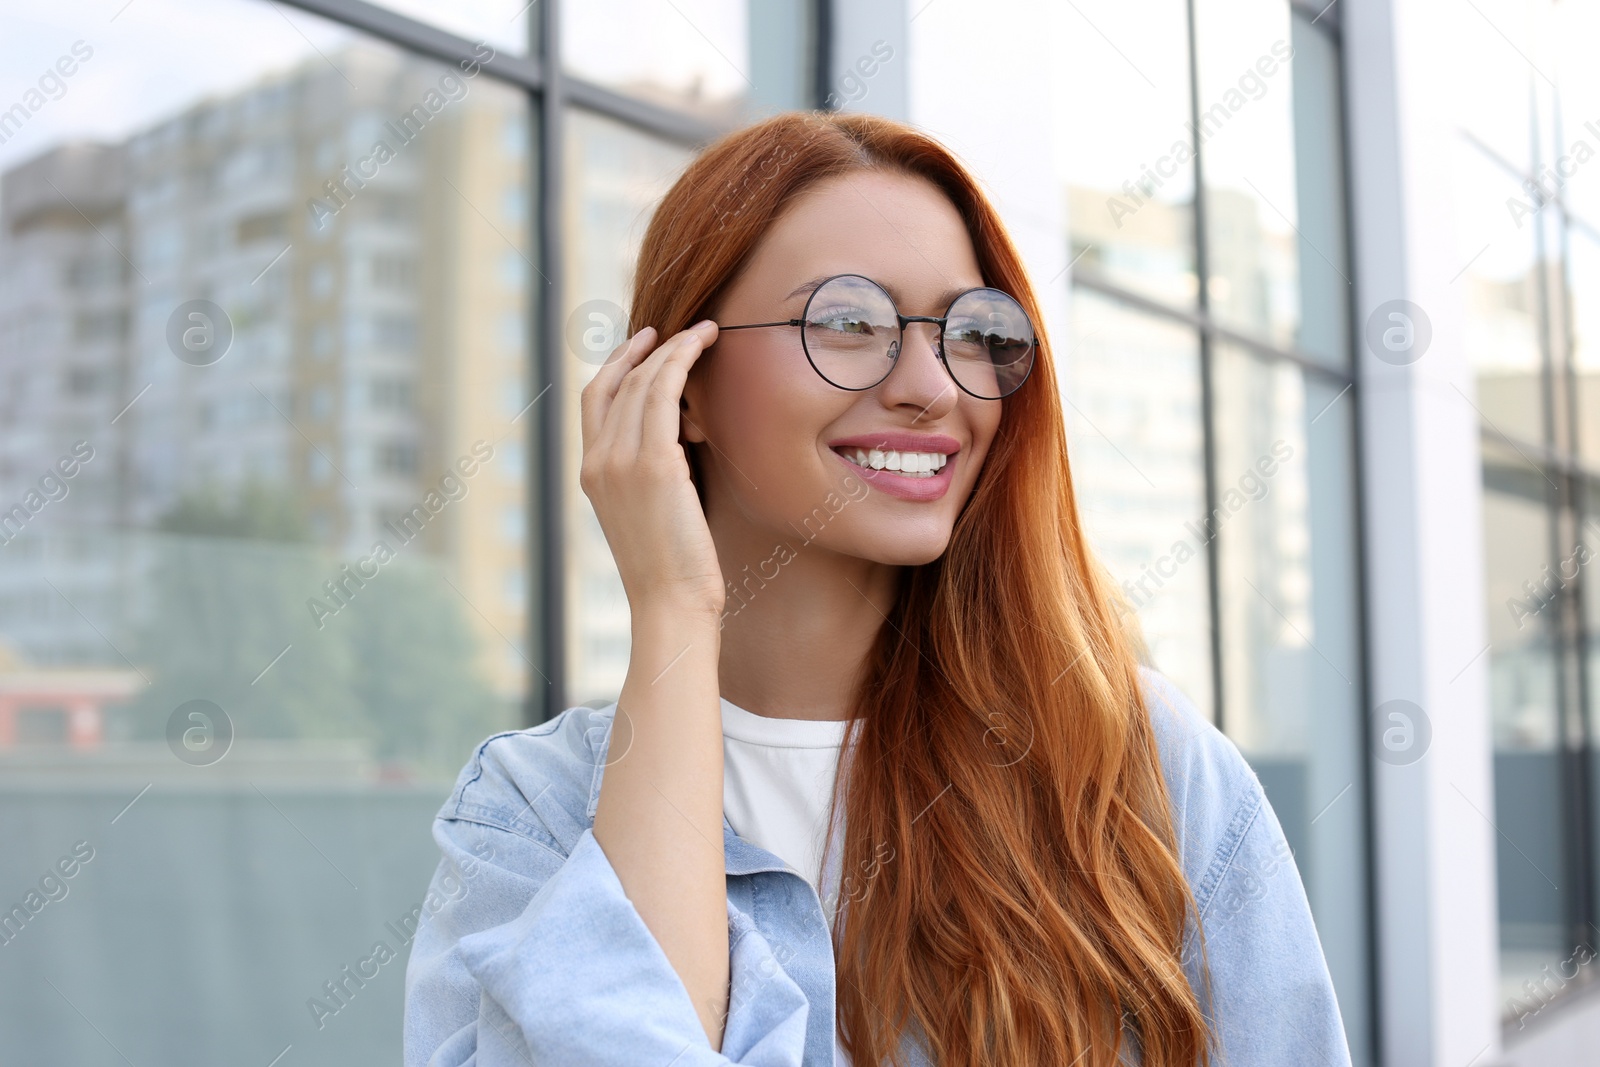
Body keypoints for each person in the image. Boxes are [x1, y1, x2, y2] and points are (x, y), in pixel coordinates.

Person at [401, 110, 1351, 1067]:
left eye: (975, 331)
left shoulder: (1135, 764)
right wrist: (673, 607)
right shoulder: (531, 811)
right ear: (680, 381)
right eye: (850, 322)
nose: (932, 384)